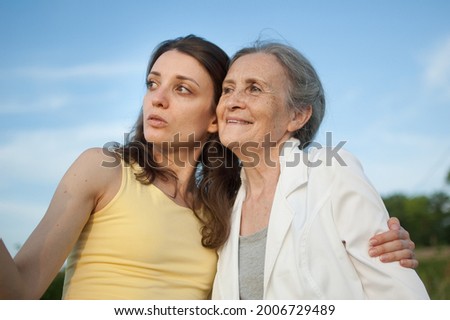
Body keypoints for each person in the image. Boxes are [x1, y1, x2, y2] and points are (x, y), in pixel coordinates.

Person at [0, 35, 418, 300]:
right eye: (152, 83)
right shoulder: (104, 168)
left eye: (182, 89)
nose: (156, 99)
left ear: (215, 117)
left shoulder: (220, 207)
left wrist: (380, 242)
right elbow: (16, 295)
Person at [211, 41, 429, 299]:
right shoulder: (223, 205)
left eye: (254, 88)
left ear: (298, 115)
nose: (233, 101)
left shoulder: (331, 171)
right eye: (228, 89)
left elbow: (402, 298)